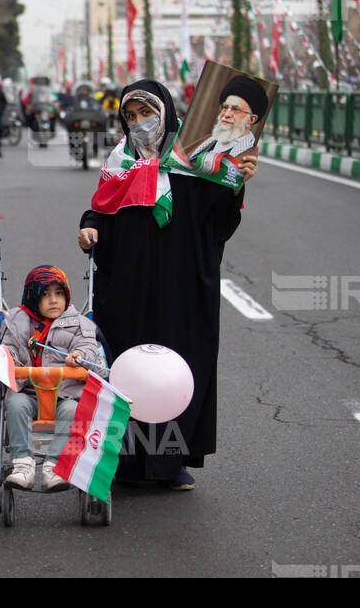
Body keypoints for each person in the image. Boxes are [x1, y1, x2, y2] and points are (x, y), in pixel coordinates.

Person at [77, 79, 257, 491]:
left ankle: (169, 463)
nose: (139, 122)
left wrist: (238, 184)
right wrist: (88, 228)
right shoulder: (119, 160)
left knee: (178, 366)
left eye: (147, 112)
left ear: (168, 112)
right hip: (128, 285)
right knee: (127, 365)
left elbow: (219, 223)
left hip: (183, 284)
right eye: (131, 115)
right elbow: (101, 211)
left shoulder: (199, 157)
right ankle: (124, 462)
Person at [0, 266, 100, 492]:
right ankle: (23, 464)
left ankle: (54, 466)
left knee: (72, 412)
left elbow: (88, 348)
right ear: (33, 297)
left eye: (59, 293)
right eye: (45, 294)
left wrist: (80, 357)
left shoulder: (80, 324)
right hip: (29, 392)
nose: (53, 300)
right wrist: (10, 361)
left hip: (65, 395)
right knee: (14, 404)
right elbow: (9, 349)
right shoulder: (17, 322)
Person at [187, 75, 268, 162]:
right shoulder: (207, 141)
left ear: (251, 119)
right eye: (225, 107)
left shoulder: (247, 155)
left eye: (236, 109)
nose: (227, 114)